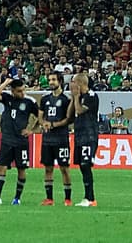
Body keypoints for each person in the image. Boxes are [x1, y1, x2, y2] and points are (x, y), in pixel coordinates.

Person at [0, 77, 37, 205]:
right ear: (13, 91)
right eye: (19, 91)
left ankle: (17, 198)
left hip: (21, 141)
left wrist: (31, 130)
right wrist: (5, 83)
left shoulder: (29, 101)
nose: (22, 93)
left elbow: (40, 116)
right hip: (7, 139)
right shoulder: (7, 99)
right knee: (1, 167)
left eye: (23, 90)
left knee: (21, 169)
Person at [38, 72, 73, 206]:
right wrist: (43, 123)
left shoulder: (66, 99)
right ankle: (49, 199)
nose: (51, 82)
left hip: (61, 139)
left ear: (60, 81)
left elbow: (69, 119)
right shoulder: (45, 99)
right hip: (47, 140)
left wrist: (53, 124)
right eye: (49, 80)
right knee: (48, 169)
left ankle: (68, 199)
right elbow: (40, 116)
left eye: (53, 79)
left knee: (64, 168)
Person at [70, 72, 100, 207]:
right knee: (82, 166)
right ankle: (90, 198)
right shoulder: (79, 96)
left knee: (85, 165)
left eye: (74, 82)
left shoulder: (91, 96)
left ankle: (89, 198)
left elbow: (80, 110)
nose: (71, 85)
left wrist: (75, 97)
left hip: (89, 135)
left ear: (81, 83)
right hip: (79, 135)